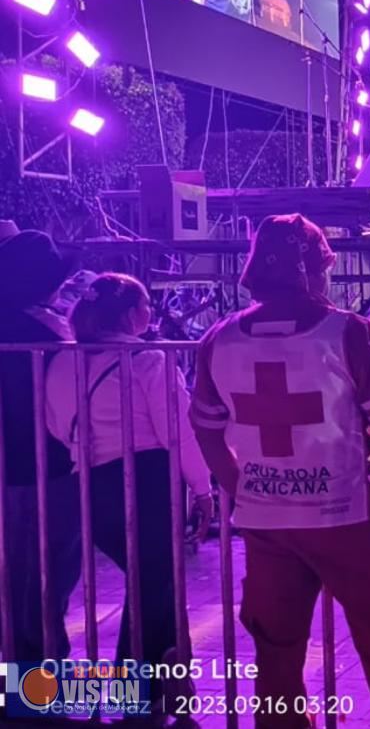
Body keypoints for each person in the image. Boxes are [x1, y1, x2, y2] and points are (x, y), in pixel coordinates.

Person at [190, 214, 370, 729]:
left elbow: (207, 429)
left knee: (275, 648)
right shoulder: (349, 332)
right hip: (349, 515)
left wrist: (240, 488)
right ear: (314, 271)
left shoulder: (218, 338)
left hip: (267, 523)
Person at [45, 274, 214, 690]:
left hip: (90, 482)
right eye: (145, 306)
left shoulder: (62, 360)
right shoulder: (148, 359)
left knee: (148, 580)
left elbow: (54, 423)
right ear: (128, 314)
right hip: (149, 482)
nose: (150, 314)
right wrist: (202, 485)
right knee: (155, 580)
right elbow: (177, 429)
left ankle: (157, 687)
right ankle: (148, 687)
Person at [0, 230, 81, 661]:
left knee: (17, 578)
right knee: (45, 579)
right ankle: (35, 692)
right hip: (47, 468)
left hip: (12, 468)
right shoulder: (49, 332)